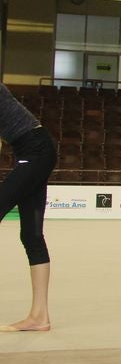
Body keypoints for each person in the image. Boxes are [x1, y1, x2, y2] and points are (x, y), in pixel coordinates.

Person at [0, 83, 57, 332]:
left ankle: (38, 316)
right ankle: (39, 317)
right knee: (32, 235)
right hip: (33, 149)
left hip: (35, 149)